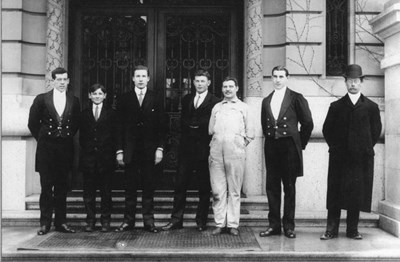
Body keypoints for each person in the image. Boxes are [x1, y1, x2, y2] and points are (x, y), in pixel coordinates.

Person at [320, 64, 382, 240]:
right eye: (350, 81)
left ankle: (352, 230)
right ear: (345, 82)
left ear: (361, 82)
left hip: (360, 159)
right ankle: (331, 229)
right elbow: (327, 130)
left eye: (356, 81)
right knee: (335, 194)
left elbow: (376, 131)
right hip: (339, 159)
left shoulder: (371, 107)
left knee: (356, 194)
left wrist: (365, 148)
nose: (353, 84)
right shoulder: (336, 106)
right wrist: (336, 148)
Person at [161, 70, 220, 232]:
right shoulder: (187, 99)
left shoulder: (215, 101)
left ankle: (201, 221)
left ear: (208, 83)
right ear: (193, 82)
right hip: (186, 150)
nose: (199, 84)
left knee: (203, 187)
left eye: (202, 81)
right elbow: (182, 123)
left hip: (204, 150)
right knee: (180, 186)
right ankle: (176, 220)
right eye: (197, 81)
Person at [259, 65, 313, 239]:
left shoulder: (296, 98)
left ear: (287, 78)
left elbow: (308, 123)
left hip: (289, 147)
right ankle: (274, 225)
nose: (277, 80)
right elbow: (263, 125)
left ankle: (288, 226)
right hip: (272, 147)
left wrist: (300, 144)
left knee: (289, 187)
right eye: (275, 76)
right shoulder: (266, 100)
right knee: (272, 187)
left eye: (281, 76)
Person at [28, 67, 80, 235]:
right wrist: (44, 139)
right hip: (46, 150)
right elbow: (33, 123)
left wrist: (64, 135)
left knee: (62, 188)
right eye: (59, 80)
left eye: (65, 79)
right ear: (52, 81)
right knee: (46, 187)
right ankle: (45, 223)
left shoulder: (74, 100)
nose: (62, 83)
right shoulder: (42, 99)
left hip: (65, 149)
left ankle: (61, 222)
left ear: (69, 80)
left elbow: (75, 124)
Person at [115, 65, 166, 233]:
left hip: (149, 151)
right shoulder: (124, 98)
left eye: (144, 76)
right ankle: (128, 221)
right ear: (133, 79)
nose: (141, 79)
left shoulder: (156, 98)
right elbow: (119, 126)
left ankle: (149, 222)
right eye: (137, 76)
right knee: (130, 189)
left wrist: (160, 148)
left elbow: (162, 126)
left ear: (148, 78)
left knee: (148, 188)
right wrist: (120, 150)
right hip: (130, 150)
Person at [208, 76, 254, 236]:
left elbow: (251, 132)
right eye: (225, 87)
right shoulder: (217, 107)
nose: (227, 89)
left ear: (237, 88)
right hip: (216, 154)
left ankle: (233, 224)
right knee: (218, 191)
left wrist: (239, 145)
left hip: (235, 154)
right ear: (222, 89)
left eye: (230, 86)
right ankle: (220, 223)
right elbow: (210, 129)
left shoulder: (244, 107)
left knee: (234, 190)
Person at [79, 83, 116, 232]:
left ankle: (105, 221)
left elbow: (114, 136)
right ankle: (90, 220)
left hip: (105, 160)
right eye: (94, 93)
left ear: (105, 96)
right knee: (89, 193)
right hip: (88, 160)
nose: (97, 96)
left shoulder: (112, 113)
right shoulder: (84, 113)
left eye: (100, 94)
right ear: (89, 95)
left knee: (106, 193)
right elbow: (82, 137)